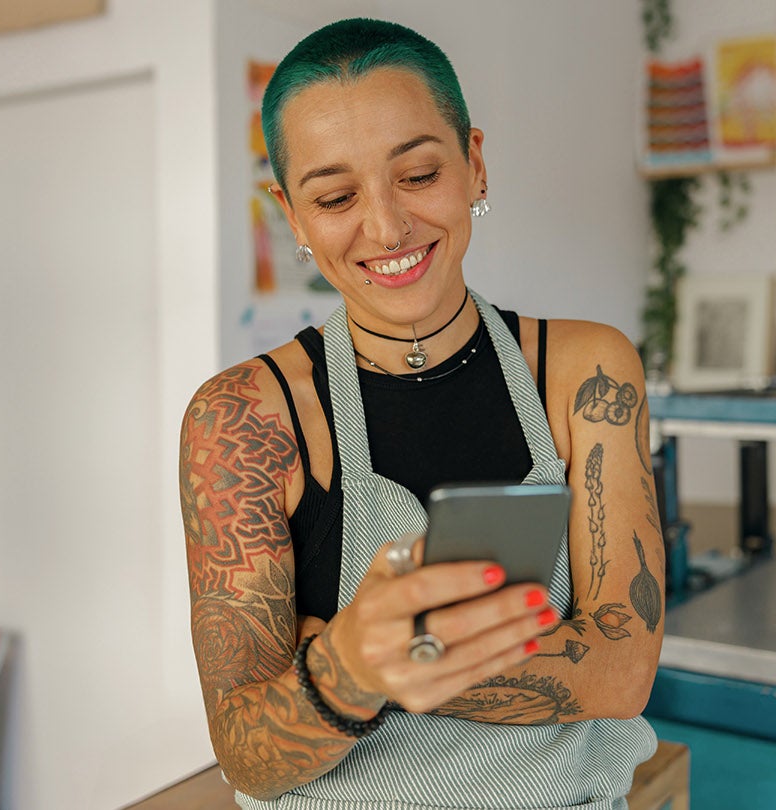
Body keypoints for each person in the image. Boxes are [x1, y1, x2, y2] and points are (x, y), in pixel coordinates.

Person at [179, 17, 664, 809]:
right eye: (335, 196)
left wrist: (345, 661)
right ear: (293, 217)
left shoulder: (586, 371)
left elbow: (622, 672)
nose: (387, 226)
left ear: (474, 164)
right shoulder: (242, 420)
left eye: (418, 174)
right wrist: (353, 668)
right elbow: (247, 757)